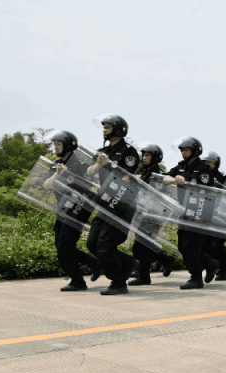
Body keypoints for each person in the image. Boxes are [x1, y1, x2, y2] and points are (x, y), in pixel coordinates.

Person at [86, 114, 141, 295]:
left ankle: (118, 282)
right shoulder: (103, 151)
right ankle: (129, 263)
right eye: (104, 128)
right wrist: (99, 164)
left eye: (107, 128)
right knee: (93, 242)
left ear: (117, 130)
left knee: (105, 243)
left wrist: (110, 165)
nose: (104, 131)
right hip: (106, 201)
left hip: (122, 202)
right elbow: (89, 172)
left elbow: (128, 176)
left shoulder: (129, 152)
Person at [43, 130, 100, 291]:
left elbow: (90, 182)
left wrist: (69, 174)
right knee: (60, 245)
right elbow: (47, 185)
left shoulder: (79, 163)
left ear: (68, 145)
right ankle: (92, 262)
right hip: (62, 208)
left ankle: (78, 281)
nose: (55, 147)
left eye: (58, 144)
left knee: (65, 245)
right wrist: (57, 174)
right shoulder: (55, 164)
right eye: (54, 144)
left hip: (78, 207)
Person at [162, 137, 219, 289]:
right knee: (182, 246)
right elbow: (164, 178)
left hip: (200, 211)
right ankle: (210, 263)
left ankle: (196, 278)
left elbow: (206, 189)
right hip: (185, 210)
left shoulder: (203, 168)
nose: (183, 152)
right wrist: (174, 179)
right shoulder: (181, 166)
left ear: (195, 151)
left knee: (190, 246)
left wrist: (186, 183)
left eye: (186, 150)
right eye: (182, 150)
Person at [127, 144, 176, 286]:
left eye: (148, 155)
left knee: (140, 245)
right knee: (144, 243)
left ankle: (144, 276)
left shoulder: (159, 174)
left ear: (156, 157)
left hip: (154, 215)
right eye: (144, 155)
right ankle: (165, 259)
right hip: (142, 212)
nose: (145, 158)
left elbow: (157, 193)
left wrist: (140, 182)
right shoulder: (143, 171)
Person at [200, 150, 226, 281]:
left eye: (210, 163)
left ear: (216, 164)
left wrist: (217, 184)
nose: (208, 165)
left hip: (222, 216)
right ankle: (218, 266)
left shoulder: (223, 178)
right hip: (206, 215)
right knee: (206, 245)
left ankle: (225, 271)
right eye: (205, 163)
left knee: (217, 245)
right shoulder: (201, 176)